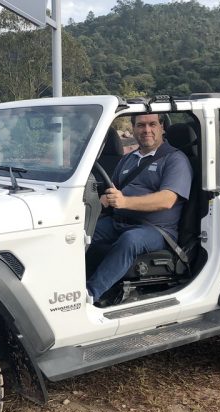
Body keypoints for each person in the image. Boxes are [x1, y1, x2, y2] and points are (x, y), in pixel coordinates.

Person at [86, 113, 193, 305]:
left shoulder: (175, 159)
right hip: (118, 221)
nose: (147, 130)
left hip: (156, 230)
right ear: (133, 129)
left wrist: (125, 202)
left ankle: (90, 294)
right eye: (141, 125)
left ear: (162, 127)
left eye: (152, 124)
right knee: (81, 233)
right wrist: (103, 199)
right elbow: (114, 189)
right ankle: (66, 286)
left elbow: (167, 199)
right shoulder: (128, 159)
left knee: (130, 240)